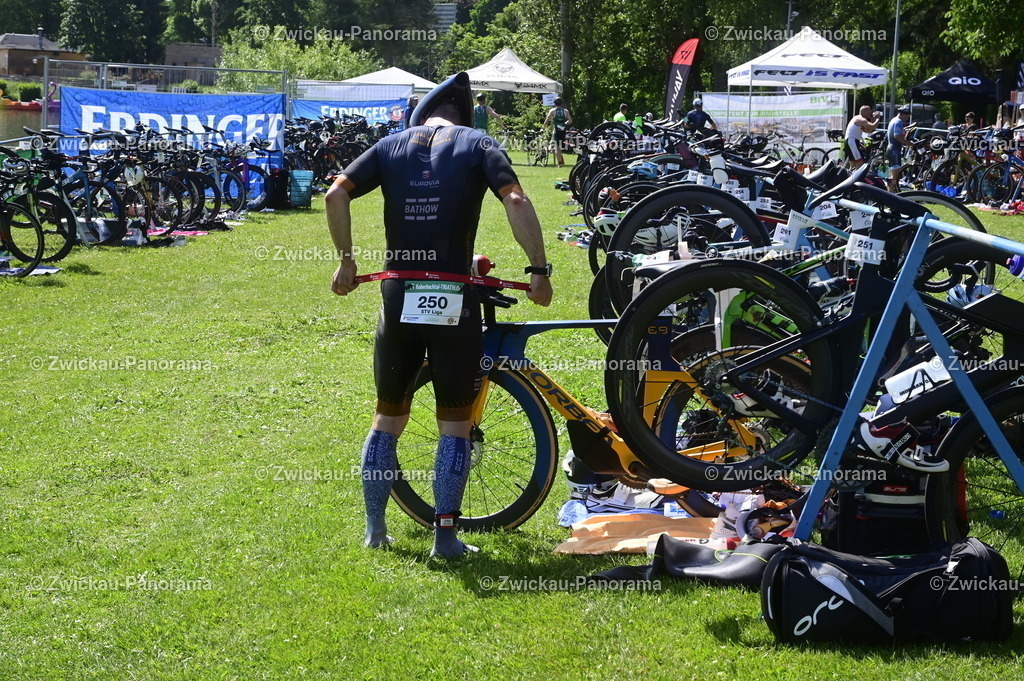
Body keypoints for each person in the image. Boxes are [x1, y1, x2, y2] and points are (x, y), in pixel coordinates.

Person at [325, 72, 553, 559]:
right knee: (454, 423)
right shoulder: (478, 143)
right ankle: (445, 538)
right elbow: (515, 198)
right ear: (463, 117)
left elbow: (335, 194)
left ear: (421, 115)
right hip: (452, 293)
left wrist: (346, 261)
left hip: (398, 293)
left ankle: (375, 528)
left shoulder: (389, 145)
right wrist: (538, 270)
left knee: (388, 416)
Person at [886, 105, 913, 192]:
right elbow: (897, 136)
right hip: (894, 150)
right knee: (895, 175)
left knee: (892, 174)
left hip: (890, 148)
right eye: (907, 116)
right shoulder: (898, 121)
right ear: (904, 114)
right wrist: (908, 143)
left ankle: (890, 192)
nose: (907, 118)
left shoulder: (893, 120)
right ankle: (890, 194)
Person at [543, 97, 573, 166]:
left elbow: (547, 120)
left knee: (556, 148)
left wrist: (543, 127)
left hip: (556, 130)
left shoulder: (552, 111)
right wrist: (564, 124)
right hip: (563, 130)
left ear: (554, 103)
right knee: (556, 146)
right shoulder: (565, 111)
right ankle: (560, 160)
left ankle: (560, 163)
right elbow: (570, 121)